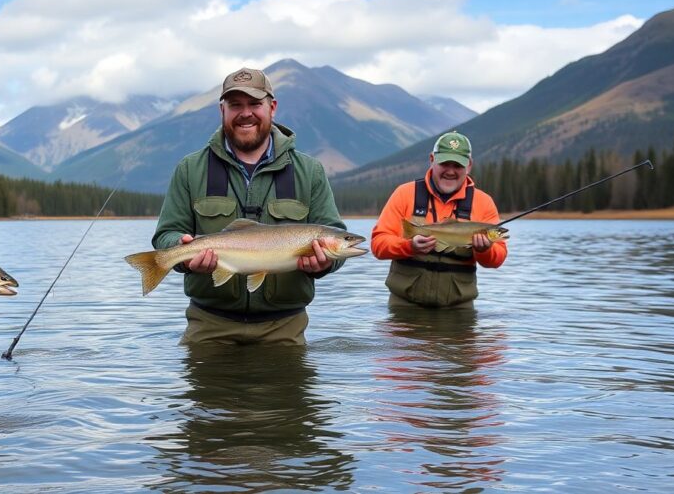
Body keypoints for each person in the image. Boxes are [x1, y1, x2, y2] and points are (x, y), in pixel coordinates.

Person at [151, 67, 347, 345]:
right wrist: (184, 254)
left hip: (285, 328)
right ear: (222, 110)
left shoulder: (310, 171)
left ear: (272, 107)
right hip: (208, 326)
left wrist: (325, 264)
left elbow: (336, 236)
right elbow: (165, 236)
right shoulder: (190, 169)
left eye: (255, 104)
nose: (246, 113)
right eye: (235, 105)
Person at [371, 131, 508, 308]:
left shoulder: (483, 203)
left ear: (469, 166)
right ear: (431, 159)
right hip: (404, 306)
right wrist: (409, 246)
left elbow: (497, 259)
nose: (450, 171)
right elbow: (378, 245)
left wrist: (485, 250)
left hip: (458, 309)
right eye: (444, 163)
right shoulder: (405, 194)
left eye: (457, 165)